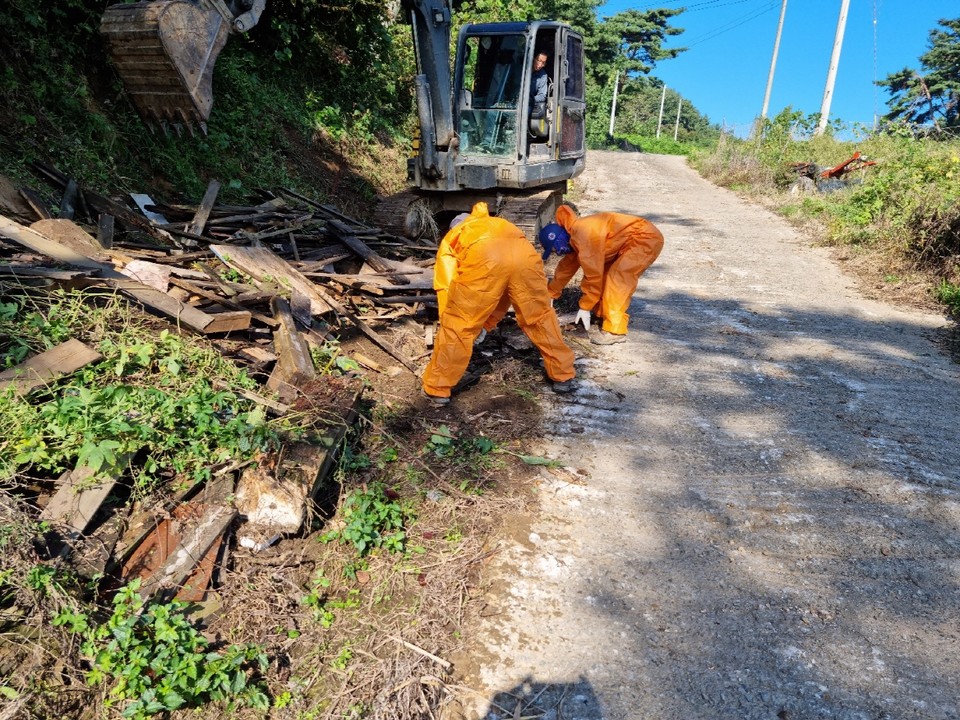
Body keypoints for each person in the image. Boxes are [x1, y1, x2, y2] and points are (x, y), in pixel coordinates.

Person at [422, 202, 576, 405]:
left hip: (485, 257)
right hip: (526, 258)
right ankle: (563, 374)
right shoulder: (500, 224)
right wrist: (486, 323)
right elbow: (504, 291)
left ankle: (438, 388)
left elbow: (447, 285)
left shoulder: (455, 236)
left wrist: (455, 321)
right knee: (539, 316)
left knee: (458, 323)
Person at [541, 204, 664, 345]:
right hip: (628, 242)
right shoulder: (575, 237)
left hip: (644, 239)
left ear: (559, 240)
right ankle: (601, 315)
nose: (558, 253)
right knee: (606, 274)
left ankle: (615, 330)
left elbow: (593, 277)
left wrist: (585, 307)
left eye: (556, 249)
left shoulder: (583, 236)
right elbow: (565, 269)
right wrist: (551, 292)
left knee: (617, 280)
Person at [530, 51, 549, 121]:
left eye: (543, 63)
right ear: (533, 58)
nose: (540, 65)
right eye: (539, 60)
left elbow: (542, 96)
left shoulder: (543, 75)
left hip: (527, 104)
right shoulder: (520, 68)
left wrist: (530, 100)